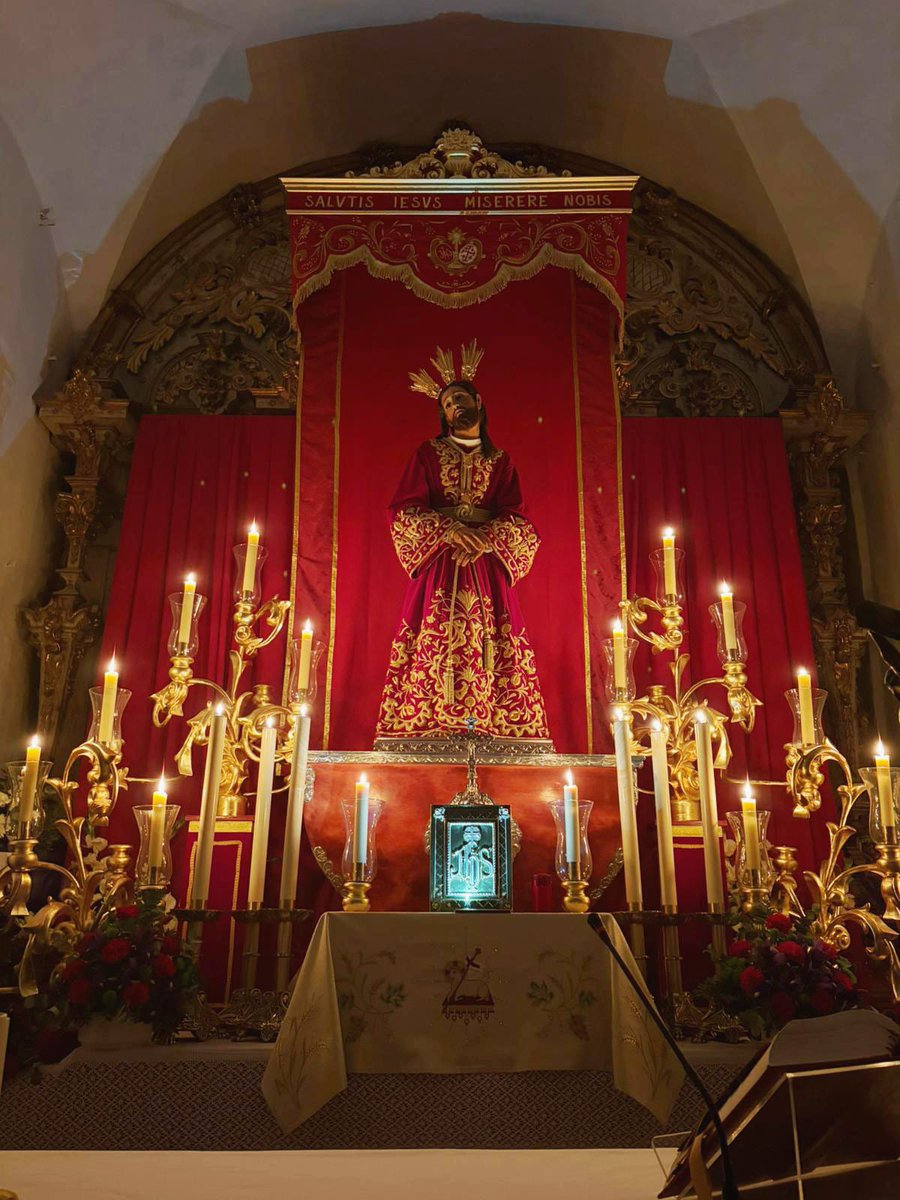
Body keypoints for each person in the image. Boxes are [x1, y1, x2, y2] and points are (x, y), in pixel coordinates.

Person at [374, 341, 550, 743]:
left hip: (485, 564)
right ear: (444, 415)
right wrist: (449, 531)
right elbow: (403, 509)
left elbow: (520, 517)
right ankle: (426, 722)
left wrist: (486, 538)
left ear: (478, 402)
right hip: (441, 560)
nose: (455, 407)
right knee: (433, 631)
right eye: (448, 404)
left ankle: (500, 725)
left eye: (460, 399)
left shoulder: (501, 461)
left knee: (494, 636)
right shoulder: (427, 454)